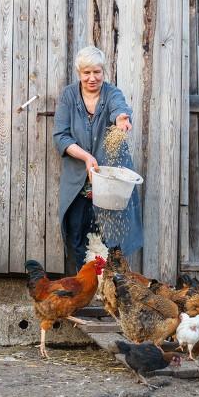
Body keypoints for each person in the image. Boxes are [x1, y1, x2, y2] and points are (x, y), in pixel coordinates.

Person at [53, 46, 143, 272]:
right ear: (78, 73)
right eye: (86, 73)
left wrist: (121, 119)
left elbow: (119, 109)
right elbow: (60, 136)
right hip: (78, 181)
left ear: (104, 71)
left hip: (110, 180)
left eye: (97, 72)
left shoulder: (112, 93)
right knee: (75, 234)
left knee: (113, 239)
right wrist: (85, 156)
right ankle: (81, 288)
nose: (92, 78)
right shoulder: (69, 96)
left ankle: (112, 289)